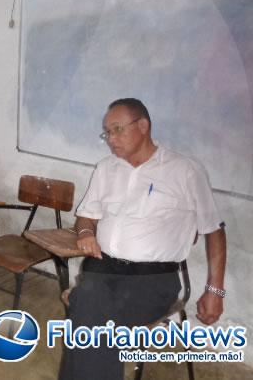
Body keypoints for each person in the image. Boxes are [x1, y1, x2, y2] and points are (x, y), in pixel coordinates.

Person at [59, 98, 226, 380]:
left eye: (117, 129)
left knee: (90, 314)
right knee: (93, 309)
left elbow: (214, 231)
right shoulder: (106, 168)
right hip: (103, 268)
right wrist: (86, 233)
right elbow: (86, 216)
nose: (111, 139)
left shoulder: (184, 170)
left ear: (144, 126)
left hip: (153, 279)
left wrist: (215, 291)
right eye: (106, 132)